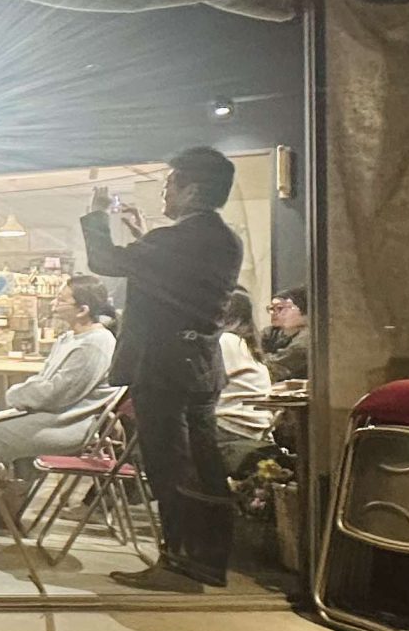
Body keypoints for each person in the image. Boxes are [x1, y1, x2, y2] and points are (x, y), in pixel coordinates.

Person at [81, 146, 246, 592]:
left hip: (163, 366)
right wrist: (145, 235)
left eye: (171, 183)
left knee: (170, 468)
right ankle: (206, 562)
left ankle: (177, 566)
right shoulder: (224, 239)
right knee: (203, 465)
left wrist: (97, 214)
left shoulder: (176, 241)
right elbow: (173, 278)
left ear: (192, 190)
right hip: (199, 366)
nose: (164, 192)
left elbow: (104, 261)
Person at [0, 276, 119, 530]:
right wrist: (24, 395)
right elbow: (44, 382)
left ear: (83, 310)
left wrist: (16, 395)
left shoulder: (95, 344)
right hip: (49, 414)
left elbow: (57, 393)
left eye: (61, 300)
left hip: (68, 423)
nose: (54, 304)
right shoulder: (71, 338)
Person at [214, 288, 276, 472]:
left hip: (230, 427)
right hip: (256, 428)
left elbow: (198, 383)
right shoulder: (246, 344)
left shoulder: (225, 341)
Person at [265, 284, 312, 383]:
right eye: (272, 309)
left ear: (304, 311)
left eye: (281, 308)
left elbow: (275, 367)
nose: (274, 313)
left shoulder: (306, 340)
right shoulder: (273, 332)